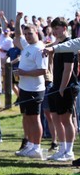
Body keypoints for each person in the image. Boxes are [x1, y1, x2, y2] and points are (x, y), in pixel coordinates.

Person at [13, 12, 48, 158]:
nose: (27, 36)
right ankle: (30, 145)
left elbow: (42, 70)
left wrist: (23, 73)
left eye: (30, 33)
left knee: (35, 118)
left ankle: (37, 147)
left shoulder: (39, 49)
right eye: (26, 33)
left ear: (37, 33)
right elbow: (17, 36)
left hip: (35, 89)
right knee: (27, 116)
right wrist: (18, 20)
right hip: (25, 88)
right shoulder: (27, 46)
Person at [45, 17, 77, 162]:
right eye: (53, 29)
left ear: (64, 28)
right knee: (56, 118)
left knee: (66, 119)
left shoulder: (69, 45)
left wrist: (63, 87)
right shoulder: (57, 44)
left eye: (57, 28)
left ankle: (69, 151)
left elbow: (68, 69)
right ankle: (62, 149)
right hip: (56, 85)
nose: (55, 32)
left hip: (67, 86)